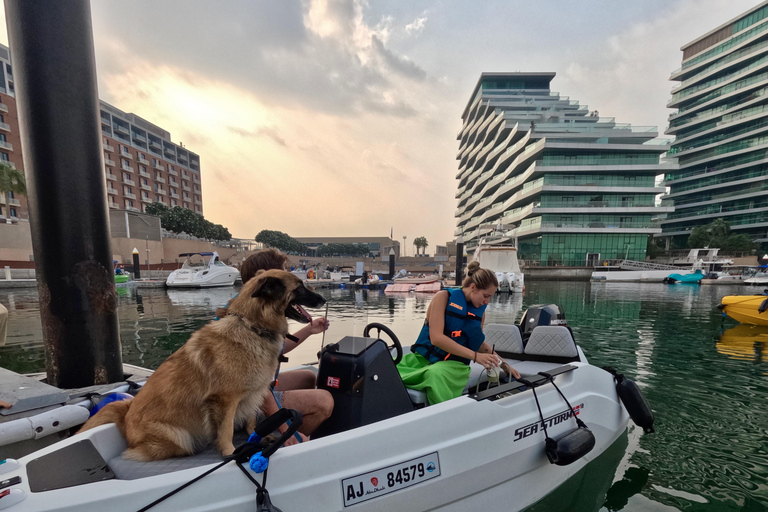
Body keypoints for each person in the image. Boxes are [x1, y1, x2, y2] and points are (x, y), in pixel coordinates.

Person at [238, 249, 334, 444]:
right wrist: (286, 428)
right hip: (245, 405)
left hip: (256, 391)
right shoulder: (243, 322)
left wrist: (309, 330)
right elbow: (257, 387)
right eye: (284, 271)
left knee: (308, 377)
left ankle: (289, 435)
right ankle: (287, 442)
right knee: (324, 401)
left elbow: (277, 348)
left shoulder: (255, 310)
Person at [396, 261, 521, 405]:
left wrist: (503, 364)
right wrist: (475, 356)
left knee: (435, 374)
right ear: (473, 287)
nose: (487, 302)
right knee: (387, 368)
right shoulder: (442, 298)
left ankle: (444, 418)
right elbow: (436, 338)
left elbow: (477, 342)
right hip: (422, 359)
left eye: (490, 298)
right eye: (486, 296)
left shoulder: (480, 312)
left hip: (454, 365)